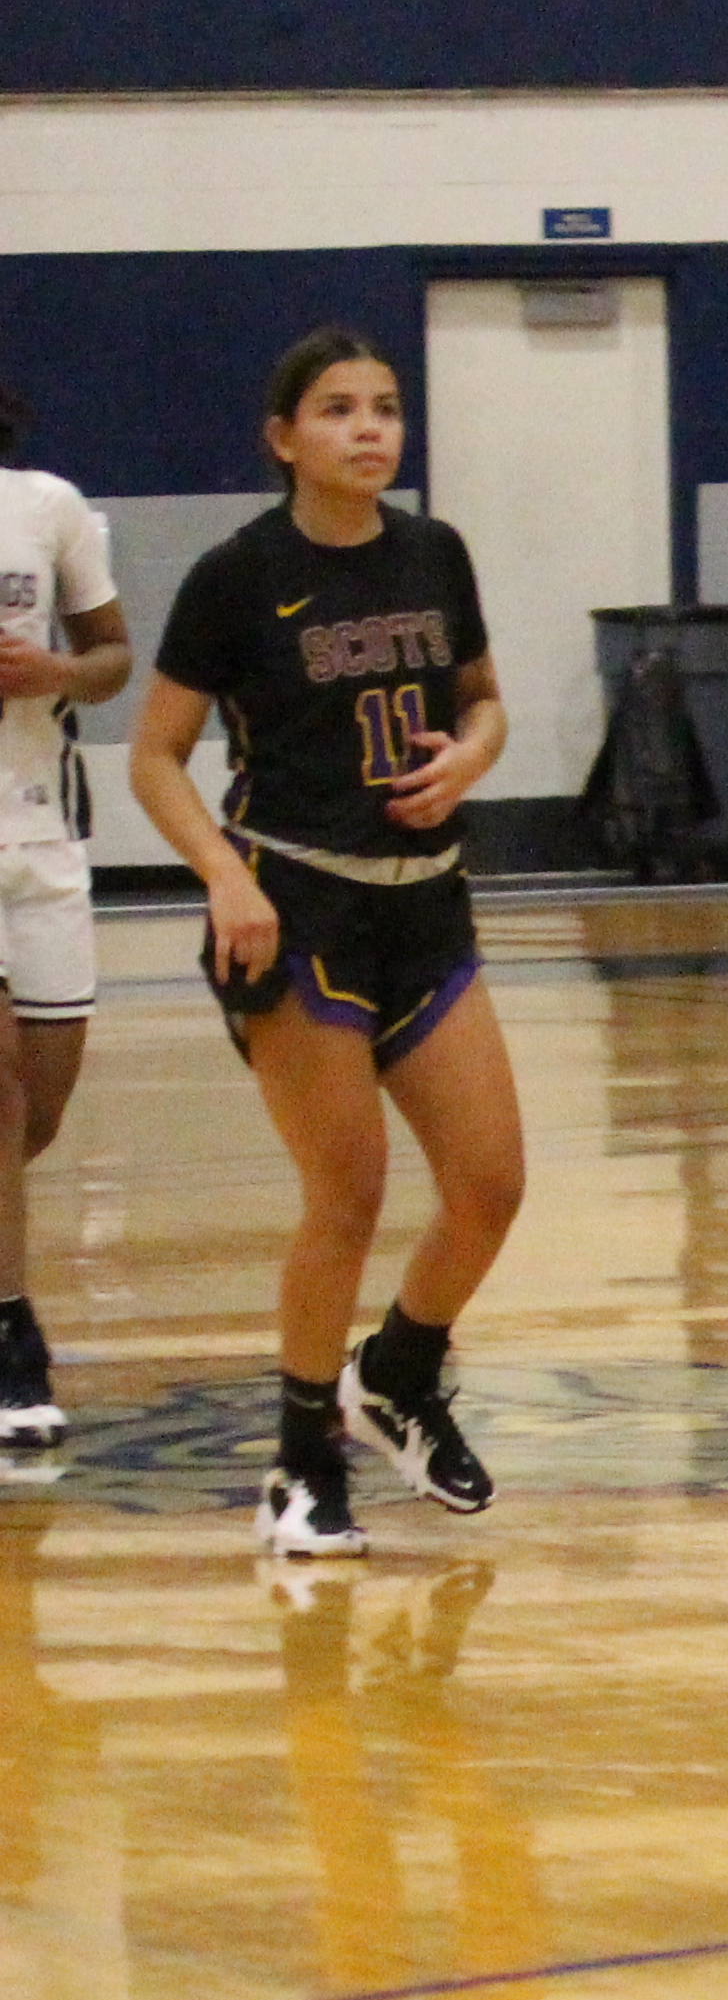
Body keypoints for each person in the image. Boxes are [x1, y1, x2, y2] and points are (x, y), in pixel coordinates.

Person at [119, 329, 524, 1558]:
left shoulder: (434, 552)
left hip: (427, 904)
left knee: (491, 1187)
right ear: (283, 436)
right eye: (339, 408)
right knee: (346, 1192)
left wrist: (476, 756)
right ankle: (300, 1465)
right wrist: (224, 875)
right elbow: (153, 757)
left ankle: (397, 1371)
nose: (370, 429)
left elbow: (485, 702)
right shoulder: (238, 577)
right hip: (295, 913)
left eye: (387, 408)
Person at [0, 396, 128, 1454]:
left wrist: (56, 674)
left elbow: (115, 657)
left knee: (34, 1115)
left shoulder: (48, 508)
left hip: (41, 840)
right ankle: (11, 1340)